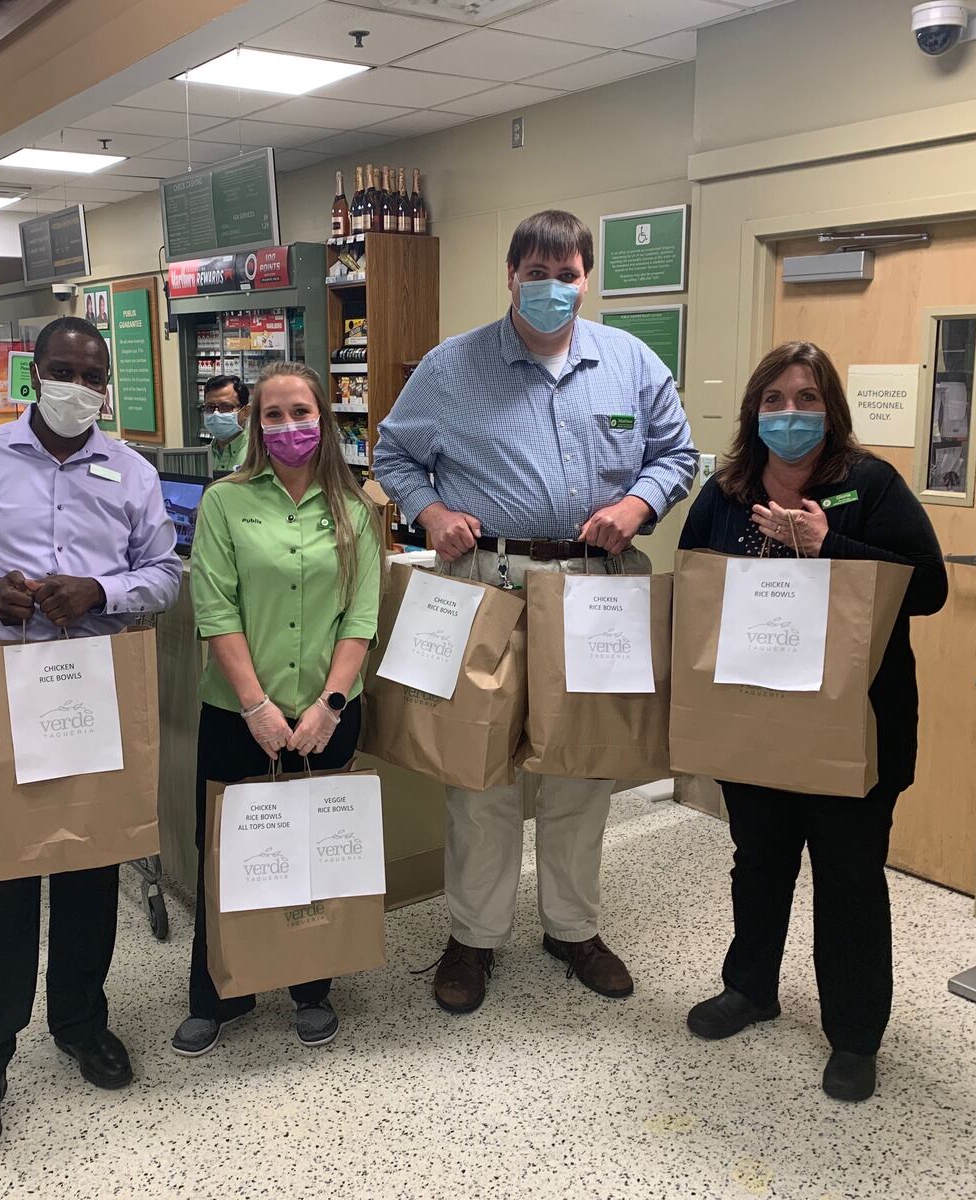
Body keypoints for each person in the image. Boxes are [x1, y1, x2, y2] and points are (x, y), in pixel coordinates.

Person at [374, 210, 698, 1015]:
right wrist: (430, 512)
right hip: (491, 583)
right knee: (478, 771)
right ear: (510, 275)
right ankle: (473, 938)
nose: (552, 288)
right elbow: (391, 455)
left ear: (587, 278)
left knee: (584, 768)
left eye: (567, 273)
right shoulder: (454, 367)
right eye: (536, 272)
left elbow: (679, 453)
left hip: (597, 586)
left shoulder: (629, 362)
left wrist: (639, 502)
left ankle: (571, 927)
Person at [0, 316, 181, 1160]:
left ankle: (81, 1022)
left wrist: (99, 590)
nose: (75, 385)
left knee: (93, 865)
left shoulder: (130, 472)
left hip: (91, 689)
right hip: (2, 687)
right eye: (61, 370)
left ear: (105, 388)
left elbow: (163, 573)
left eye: (90, 375)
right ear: (34, 377)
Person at [676, 340, 947, 1103]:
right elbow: (696, 593)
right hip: (753, 719)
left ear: (830, 408)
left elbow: (928, 590)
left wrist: (834, 547)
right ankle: (750, 989)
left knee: (849, 877)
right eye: (774, 401)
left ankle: (855, 1035)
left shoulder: (869, 486)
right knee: (758, 862)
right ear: (753, 412)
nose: (789, 415)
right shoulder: (726, 492)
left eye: (805, 399)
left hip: (854, 726)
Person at [175, 360, 382, 1057]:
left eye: (301, 413)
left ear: (322, 421)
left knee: (313, 851)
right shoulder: (225, 504)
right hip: (238, 713)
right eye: (274, 415)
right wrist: (256, 705)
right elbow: (214, 609)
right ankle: (218, 992)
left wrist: (329, 704)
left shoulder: (353, 510)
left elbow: (361, 618)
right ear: (254, 426)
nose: (289, 426)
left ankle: (308, 985)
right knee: (231, 848)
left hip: (328, 712)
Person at [202, 374, 250, 475]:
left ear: (245, 411)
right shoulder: (203, 455)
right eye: (210, 407)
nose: (216, 414)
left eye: (225, 407)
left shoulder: (259, 453)